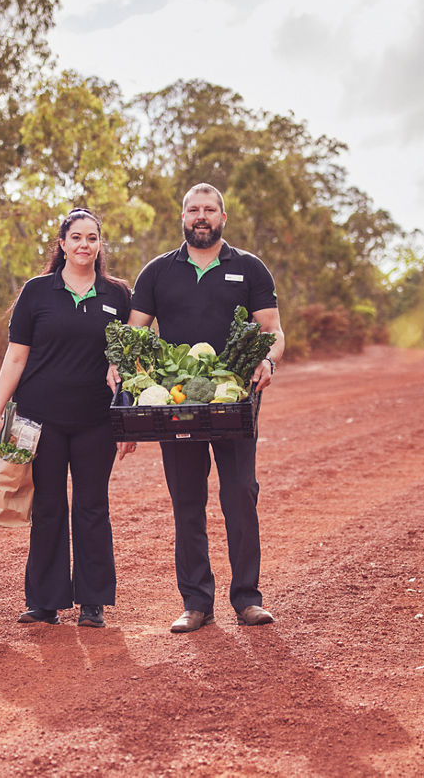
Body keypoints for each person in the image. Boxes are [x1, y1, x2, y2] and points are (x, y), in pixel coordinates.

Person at [116, 183, 285, 633]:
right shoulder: (157, 272)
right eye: (194, 210)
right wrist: (123, 371)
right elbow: (134, 335)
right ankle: (196, 603)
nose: (202, 216)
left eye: (210, 209)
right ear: (183, 217)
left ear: (223, 217)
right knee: (186, 503)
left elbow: (272, 331)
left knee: (241, 497)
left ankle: (247, 599)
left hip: (233, 403)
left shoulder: (249, 268)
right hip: (178, 406)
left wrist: (267, 360)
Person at [0, 208, 134, 628]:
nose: (84, 245)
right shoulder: (36, 292)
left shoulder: (118, 296)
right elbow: (16, 356)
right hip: (39, 421)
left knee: (92, 506)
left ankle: (92, 602)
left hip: (96, 421)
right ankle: (44, 602)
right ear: (62, 244)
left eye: (92, 238)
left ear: (99, 244)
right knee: (48, 506)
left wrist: (128, 420)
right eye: (76, 238)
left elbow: (130, 360)